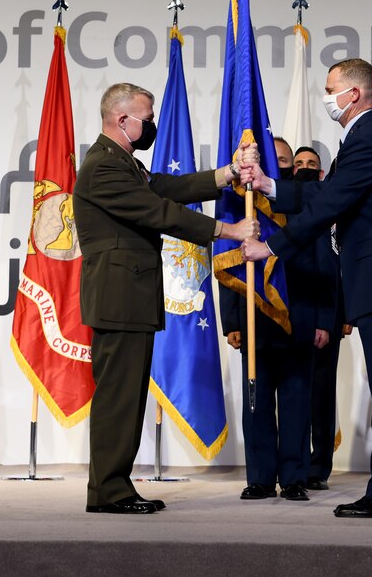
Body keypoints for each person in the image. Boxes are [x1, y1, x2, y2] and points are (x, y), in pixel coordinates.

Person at [240, 59, 372, 519]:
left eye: (331, 90)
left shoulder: (367, 138)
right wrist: (271, 185)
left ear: (354, 94)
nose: (325, 97)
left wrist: (271, 247)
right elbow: (326, 192)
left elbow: (328, 204)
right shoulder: (362, 139)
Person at [74, 82, 257, 514]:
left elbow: (169, 188)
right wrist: (227, 232)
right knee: (119, 398)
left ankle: (112, 487)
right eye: (147, 117)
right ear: (122, 120)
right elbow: (158, 212)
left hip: (131, 297)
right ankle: (109, 492)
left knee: (127, 397)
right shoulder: (103, 166)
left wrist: (226, 175)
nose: (152, 124)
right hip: (119, 298)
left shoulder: (124, 164)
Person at [219, 137, 338, 502]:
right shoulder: (240, 199)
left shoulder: (303, 199)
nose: (288, 168)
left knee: (296, 401)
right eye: (281, 161)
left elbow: (325, 261)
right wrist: (232, 321)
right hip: (254, 317)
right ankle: (259, 477)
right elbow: (229, 258)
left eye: (287, 162)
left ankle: (293, 477)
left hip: (300, 312)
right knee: (255, 405)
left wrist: (324, 318)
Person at [291, 145, 350, 492]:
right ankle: (294, 462)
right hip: (294, 311)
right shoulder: (285, 209)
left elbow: (340, 266)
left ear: (323, 172)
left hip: (330, 311)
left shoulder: (334, 209)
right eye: (298, 164)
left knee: (322, 394)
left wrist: (343, 314)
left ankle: (319, 466)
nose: (304, 169)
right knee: (296, 392)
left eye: (312, 164)